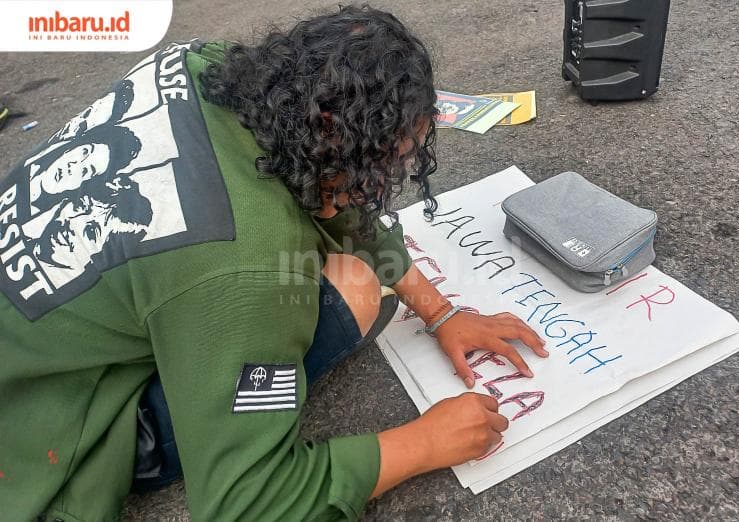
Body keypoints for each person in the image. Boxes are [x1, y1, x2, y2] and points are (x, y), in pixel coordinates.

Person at [0, 6, 548, 521]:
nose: (382, 184)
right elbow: (245, 503)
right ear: (334, 132)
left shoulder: (205, 64)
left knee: (336, 252)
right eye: (388, 163)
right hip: (39, 442)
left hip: (32, 349)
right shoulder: (248, 268)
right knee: (352, 288)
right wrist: (423, 443)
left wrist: (441, 313)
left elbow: (337, 191)